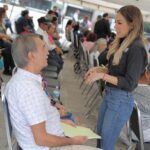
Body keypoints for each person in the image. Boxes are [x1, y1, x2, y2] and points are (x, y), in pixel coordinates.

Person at [5, 34, 100, 150]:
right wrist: (72, 141)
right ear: (31, 56)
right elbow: (41, 139)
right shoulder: (29, 90)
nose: (48, 52)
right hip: (47, 146)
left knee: (74, 122)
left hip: (50, 135)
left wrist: (60, 122)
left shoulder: (23, 79)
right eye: (43, 48)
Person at [84, 5, 148, 150]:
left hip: (120, 100)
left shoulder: (136, 48)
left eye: (119, 22)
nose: (115, 26)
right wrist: (99, 69)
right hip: (110, 95)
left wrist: (102, 75)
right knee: (100, 137)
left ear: (132, 24)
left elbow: (130, 83)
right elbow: (117, 71)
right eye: (115, 22)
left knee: (106, 143)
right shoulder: (123, 43)